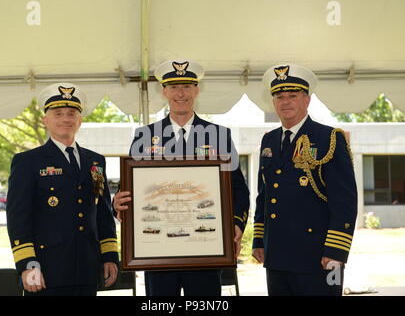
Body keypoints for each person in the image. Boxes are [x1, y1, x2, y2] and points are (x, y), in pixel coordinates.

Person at [114, 59, 250, 296]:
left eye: (187, 86)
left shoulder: (218, 136)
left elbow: (238, 188)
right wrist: (119, 202)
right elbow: (132, 188)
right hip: (158, 253)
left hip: (205, 248)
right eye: (174, 87)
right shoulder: (145, 136)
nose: (181, 93)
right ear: (164, 91)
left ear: (197, 90)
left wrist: (236, 223)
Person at [251, 64, 357, 296]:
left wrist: (336, 253)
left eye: (293, 95)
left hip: (321, 256)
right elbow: (265, 195)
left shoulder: (330, 138)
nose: (286, 101)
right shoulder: (269, 141)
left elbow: (345, 202)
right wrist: (259, 240)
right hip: (277, 255)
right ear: (273, 102)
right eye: (280, 96)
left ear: (307, 100)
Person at [6, 83, 119, 296]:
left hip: (87, 269)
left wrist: (110, 256)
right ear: (45, 120)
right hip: (46, 271)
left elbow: (102, 214)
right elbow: (18, 218)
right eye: (58, 113)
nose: (66, 119)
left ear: (80, 120)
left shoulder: (95, 161)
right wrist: (27, 263)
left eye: (71, 113)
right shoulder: (27, 162)